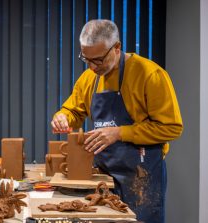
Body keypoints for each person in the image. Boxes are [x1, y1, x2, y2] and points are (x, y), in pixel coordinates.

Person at [51, 19, 183, 223]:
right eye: (86, 59)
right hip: (104, 174)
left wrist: (120, 133)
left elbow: (171, 128)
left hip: (141, 175)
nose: (93, 67)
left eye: (98, 60)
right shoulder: (89, 78)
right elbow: (73, 111)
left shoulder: (150, 75)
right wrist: (63, 117)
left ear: (117, 47)